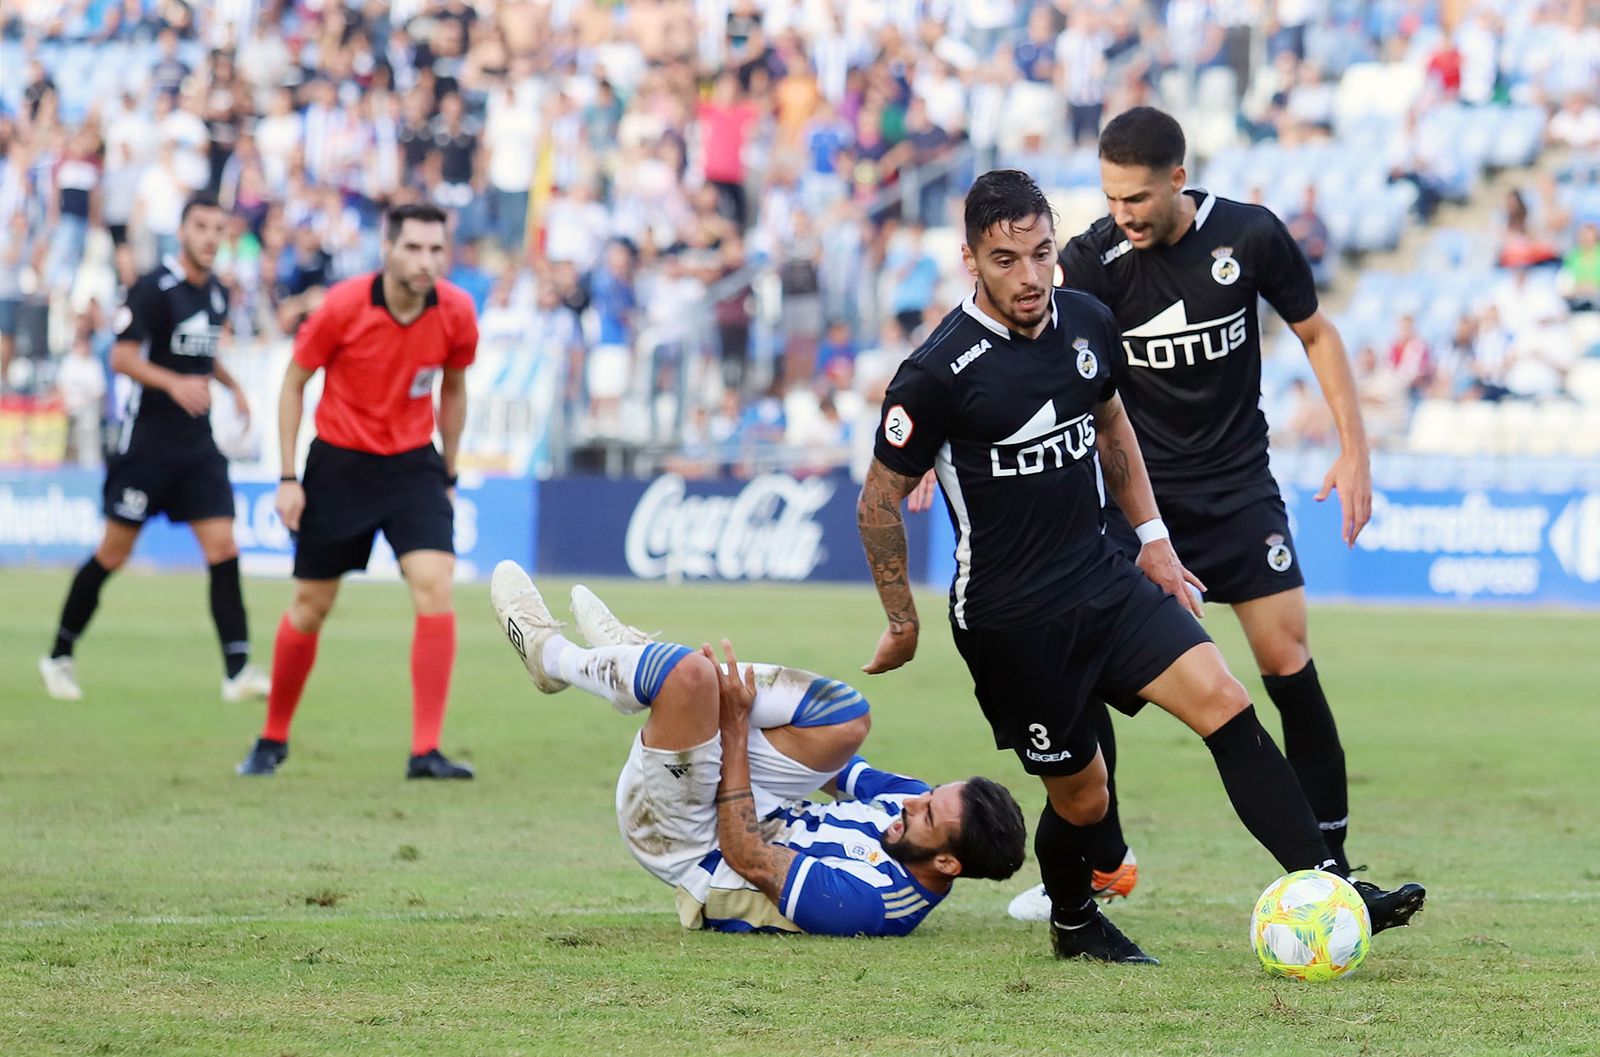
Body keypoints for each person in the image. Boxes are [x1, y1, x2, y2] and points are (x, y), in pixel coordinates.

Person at [858, 168, 1423, 964]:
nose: (1030, 276)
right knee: (1084, 799)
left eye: (1042, 253)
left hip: (1103, 577)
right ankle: (1073, 920)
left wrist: (1154, 539)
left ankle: (1330, 883)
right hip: (1012, 620)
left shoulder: (1087, 321)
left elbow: (1115, 430)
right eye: (1006, 259)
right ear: (970, 260)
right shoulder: (936, 373)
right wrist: (901, 620)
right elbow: (876, 502)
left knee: (1227, 701)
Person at [996, 108, 1380, 922]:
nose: (1122, 214)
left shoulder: (1251, 236)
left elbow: (1316, 333)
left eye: (1136, 197)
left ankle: (1332, 867)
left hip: (1238, 490)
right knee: (1085, 664)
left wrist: (1354, 449)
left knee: (1285, 660)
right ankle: (1105, 862)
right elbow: (1025, 347)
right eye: (1110, 198)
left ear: (1177, 179)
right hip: (1137, 502)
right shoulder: (1092, 260)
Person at [487, 562, 1028, 936]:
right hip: (753, 801)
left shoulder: (871, 904)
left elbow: (744, 853)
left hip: (686, 840)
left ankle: (552, 657)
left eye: (928, 814)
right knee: (847, 718)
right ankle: (639, 664)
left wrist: (736, 728)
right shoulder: (910, 806)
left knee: (689, 678)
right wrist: (759, 726)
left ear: (948, 862)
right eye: (930, 794)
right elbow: (837, 766)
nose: (913, 801)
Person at [236, 203, 477, 780]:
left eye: (436, 250)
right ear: (387, 250)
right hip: (340, 465)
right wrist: (289, 477)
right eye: (414, 248)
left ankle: (426, 751)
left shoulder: (458, 312)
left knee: (434, 584)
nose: (426, 261)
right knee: (312, 606)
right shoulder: (342, 306)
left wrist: (448, 471)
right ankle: (272, 739)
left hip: (414, 466)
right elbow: (294, 383)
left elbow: (454, 389)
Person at [39, 193, 270, 704]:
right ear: (183, 232)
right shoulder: (152, 287)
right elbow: (122, 358)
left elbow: (202, 354)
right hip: (149, 445)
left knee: (224, 548)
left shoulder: (215, 293)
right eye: (202, 227)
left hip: (198, 445)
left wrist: (232, 386)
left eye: (218, 229)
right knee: (113, 553)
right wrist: (173, 384)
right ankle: (58, 655)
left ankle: (237, 672)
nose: (211, 237)